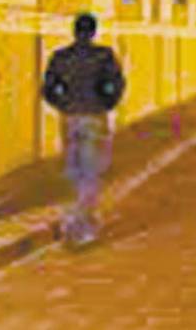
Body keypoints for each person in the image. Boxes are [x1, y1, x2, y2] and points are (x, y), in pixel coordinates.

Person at [42, 13, 126, 248]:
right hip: (94, 116)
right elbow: (117, 84)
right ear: (93, 32)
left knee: (74, 170)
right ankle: (79, 227)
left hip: (69, 117)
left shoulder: (61, 56)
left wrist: (62, 105)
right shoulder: (103, 55)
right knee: (91, 172)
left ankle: (77, 219)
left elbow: (48, 88)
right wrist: (106, 103)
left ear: (74, 31)